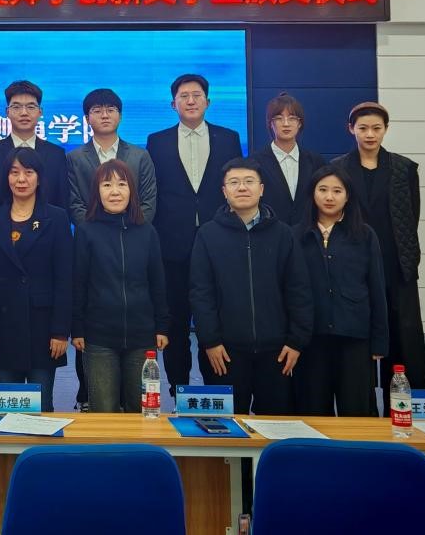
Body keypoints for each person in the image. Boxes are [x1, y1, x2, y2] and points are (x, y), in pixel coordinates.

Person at [189, 158, 313, 415]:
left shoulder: (283, 234)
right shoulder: (208, 234)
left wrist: (296, 341)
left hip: (277, 351)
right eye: (234, 182)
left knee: (275, 428)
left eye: (249, 181)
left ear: (262, 188)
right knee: (225, 430)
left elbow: (299, 290)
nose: (242, 187)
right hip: (224, 352)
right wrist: (210, 341)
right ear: (224, 191)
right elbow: (201, 293)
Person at [146, 73, 243, 393]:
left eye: (196, 95)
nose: (190, 101)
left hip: (218, 243)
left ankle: (215, 390)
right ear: (173, 104)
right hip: (172, 245)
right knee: (175, 323)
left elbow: (234, 187)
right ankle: (179, 390)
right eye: (184, 96)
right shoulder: (157, 141)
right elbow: (155, 193)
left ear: (208, 102)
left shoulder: (229, 138)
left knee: (214, 319)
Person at [335, 101, 425, 414]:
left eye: (376, 128)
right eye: (363, 128)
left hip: (396, 265)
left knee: (403, 340)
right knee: (359, 340)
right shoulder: (338, 169)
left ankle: (403, 412)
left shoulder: (405, 168)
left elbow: (411, 217)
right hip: (355, 266)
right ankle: (362, 413)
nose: (370, 134)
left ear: (385, 130)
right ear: (351, 129)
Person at [0, 147, 72, 412]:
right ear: (6, 178)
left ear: (39, 178)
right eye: (14, 172)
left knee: (41, 408)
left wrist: (60, 330)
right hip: (3, 325)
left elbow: (65, 278)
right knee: (6, 407)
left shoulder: (56, 218)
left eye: (28, 172)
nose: (21, 179)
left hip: (43, 328)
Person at [71, 159, 169, 413]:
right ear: (97, 192)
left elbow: (157, 282)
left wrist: (162, 326)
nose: (115, 191)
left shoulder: (147, 231)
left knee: (142, 411)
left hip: (142, 336)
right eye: (107, 185)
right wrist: (77, 328)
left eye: (122, 184)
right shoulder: (86, 231)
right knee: (104, 411)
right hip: (99, 337)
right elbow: (78, 282)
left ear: (131, 190)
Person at [293, 164, 389, 417]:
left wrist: (379, 341)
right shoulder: (296, 236)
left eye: (337, 191)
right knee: (313, 410)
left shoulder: (365, 235)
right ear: (312, 193)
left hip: (355, 337)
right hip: (311, 337)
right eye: (322, 189)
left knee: (357, 411)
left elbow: (377, 289)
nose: (329, 197)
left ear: (348, 196)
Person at [0, 80, 69, 216]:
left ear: (40, 112)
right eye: (16, 107)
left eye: (31, 107)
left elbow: (62, 203)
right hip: (1, 227)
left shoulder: (56, 154)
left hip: (47, 227)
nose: (24, 113)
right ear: (7, 112)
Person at [67, 88, 156, 226]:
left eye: (110, 110)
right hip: (90, 236)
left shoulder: (140, 156)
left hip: (133, 233)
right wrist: (95, 233)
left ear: (120, 116)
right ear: (87, 119)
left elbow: (148, 201)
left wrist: (129, 230)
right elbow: (74, 204)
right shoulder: (74, 158)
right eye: (97, 111)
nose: (105, 116)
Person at [249, 93, 327, 227]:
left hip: (308, 234)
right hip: (269, 233)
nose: (286, 124)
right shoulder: (255, 162)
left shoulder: (315, 162)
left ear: (299, 123)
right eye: (279, 118)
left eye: (292, 118)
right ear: (270, 123)